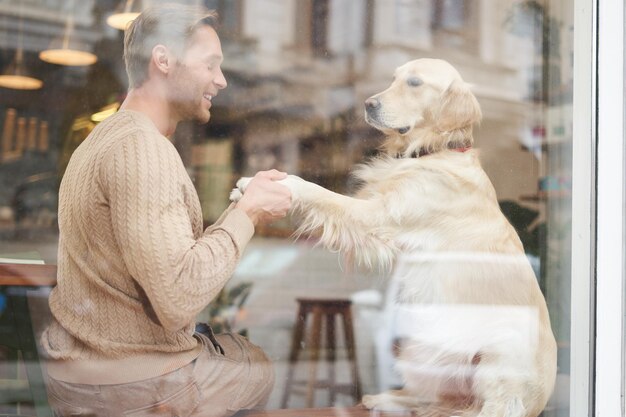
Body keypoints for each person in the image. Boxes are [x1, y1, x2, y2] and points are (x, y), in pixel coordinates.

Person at [41, 4, 292, 416]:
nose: (221, 80)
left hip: (79, 378)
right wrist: (247, 213)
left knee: (235, 350)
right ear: (163, 60)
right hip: (133, 388)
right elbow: (178, 297)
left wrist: (242, 211)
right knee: (257, 367)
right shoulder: (143, 149)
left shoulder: (102, 139)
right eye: (210, 64)